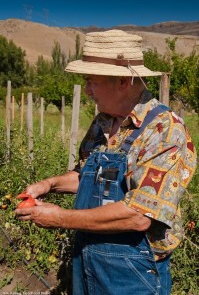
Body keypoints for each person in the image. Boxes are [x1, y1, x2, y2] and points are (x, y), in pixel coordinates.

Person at [15, 30, 197, 295]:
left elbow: (138, 217)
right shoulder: (104, 122)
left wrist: (60, 218)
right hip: (87, 257)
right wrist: (49, 184)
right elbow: (87, 175)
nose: (87, 90)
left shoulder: (164, 131)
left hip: (132, 273)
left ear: (123, 81)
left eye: (92, 81)